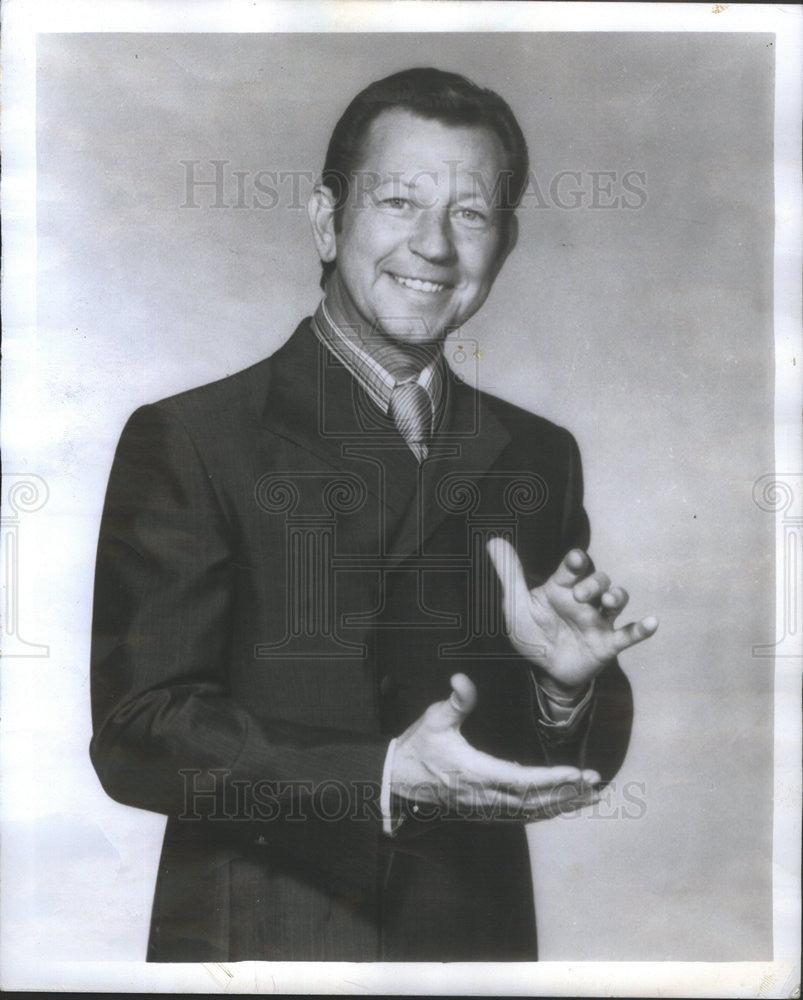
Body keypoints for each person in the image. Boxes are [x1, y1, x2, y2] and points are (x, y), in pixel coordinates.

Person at [90, 67, 657, 962]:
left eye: (470, 214)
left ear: (503, 245)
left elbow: (543, 759)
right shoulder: (192, 439)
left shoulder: (538, 457)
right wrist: (380, 775)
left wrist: (562, 687)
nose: (433, 245)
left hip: (470, 940)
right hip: (257, 941)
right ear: (326, 219)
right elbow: (138, 733)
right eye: (399, 201)